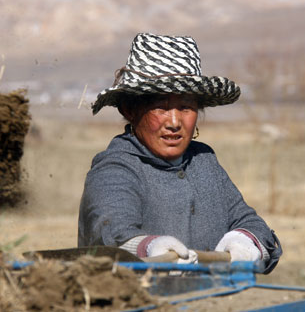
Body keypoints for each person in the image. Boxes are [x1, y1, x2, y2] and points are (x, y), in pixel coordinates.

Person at [78, 33, 282, 273]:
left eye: (185, 107)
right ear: (130, 109)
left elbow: (249, 221)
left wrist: (246, 241)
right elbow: (111, 236)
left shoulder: (203, 162)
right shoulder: (115, 169)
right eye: (161, 108)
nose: (174, 122)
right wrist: (150, 247)